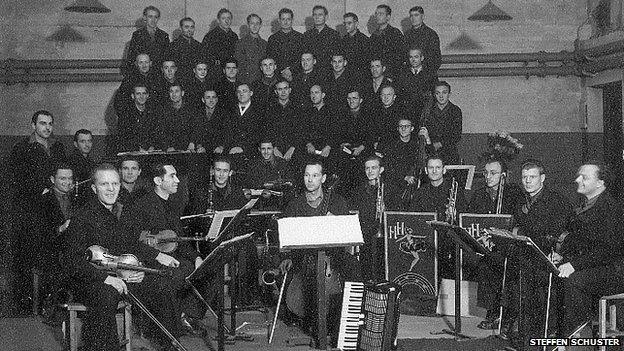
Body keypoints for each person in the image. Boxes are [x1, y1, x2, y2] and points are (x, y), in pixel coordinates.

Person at [62, 164, 180, 351]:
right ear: (94, 188)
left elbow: (128, 244)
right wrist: (106, 279)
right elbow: (73, 261)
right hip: (90, 279)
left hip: (118, 275)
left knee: (162, 285)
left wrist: (147, 261)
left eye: (115, 184)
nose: (111, 189)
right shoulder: (82, 216)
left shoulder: (118, 213)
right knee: (107, 295)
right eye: (104, 184)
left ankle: (169, 345)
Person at [278, 159, 361, 346]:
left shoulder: (338, 202)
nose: (310, 180)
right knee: (310, 276)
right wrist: (286, 256)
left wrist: (335, 223)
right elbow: (286, 237)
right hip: (305, 257)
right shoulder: (295, 205)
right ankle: (317, 324)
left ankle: (347, 322)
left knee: (353, 267)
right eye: (307, 175)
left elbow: (346, 235)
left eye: (315, 175)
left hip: (333, 256)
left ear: (323, 178)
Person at [120, 163, 204, 340]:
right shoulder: (141, 205)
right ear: (158, 180)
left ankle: (185, 315)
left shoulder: (172, 205)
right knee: (173, 278)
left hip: (171, 259)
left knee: (207, 271)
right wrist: (158, 255)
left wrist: (196, 257)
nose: (177, 180)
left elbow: (179, 240)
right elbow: (130, 242)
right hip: (148, 263)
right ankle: (168, 329)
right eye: (172, 176)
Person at [510, 159, 573, 349]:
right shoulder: (521, 201)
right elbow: (518, 226)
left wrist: (562, 254)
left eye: (532, 177)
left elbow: (567, 232)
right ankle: (524, 329)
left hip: (551, 255)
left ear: (542, 178)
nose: (528, 181)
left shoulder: (556, 200)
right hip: (528, 253)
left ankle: (546, 332)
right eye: (524, 177)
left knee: (535, 277)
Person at [556, 162, 624, 337]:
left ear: (600, 183)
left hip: (613, 271)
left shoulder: (610, 208)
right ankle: (557, 331)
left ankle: (577, 336)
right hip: (594, 266)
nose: (577, 179)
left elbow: (608, 251)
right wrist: (560, 255)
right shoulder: (587, 205)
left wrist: (574, 264)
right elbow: (579, 240)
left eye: (584, 177)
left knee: (574, 280)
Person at [10, 110, 66, 313]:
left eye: (50, 123)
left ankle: (51, 302)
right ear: (33, 125)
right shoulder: (21, 149)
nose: (47, 127)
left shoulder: (57, 147)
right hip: (30, 210)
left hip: (53, 206)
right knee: (29, 256)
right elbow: (15, 180)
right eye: (43, 123)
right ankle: (27, 303)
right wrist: (38, 191)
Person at [467, 158, 522, 332]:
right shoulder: (478, 194)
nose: (488, 177)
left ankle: (507, 314)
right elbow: (471, 220)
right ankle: (492, 312)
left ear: (503, 176)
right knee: (486, 266)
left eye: (494, 173)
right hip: (488, 246)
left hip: (510, 246)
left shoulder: (513, 193)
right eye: (486, 173)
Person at [410, 155, 467, 279]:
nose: (434, 171)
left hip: (449, 243)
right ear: (426, 170)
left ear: (444, 170)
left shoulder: (456, 190)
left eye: (438, 167)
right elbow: (414, 218)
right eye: (431, 168)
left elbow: (464, 218)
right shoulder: (420, 192)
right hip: (428, 242)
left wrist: (454, 213)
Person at [33, 164, 75, 320]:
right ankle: (56, 313)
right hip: (50, 251)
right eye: (62, 178)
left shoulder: (76, 199)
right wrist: (62, 228)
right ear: (52, 179)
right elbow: (38, 234)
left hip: (71, 251)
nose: (67, 182)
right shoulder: (43, 201)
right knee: (60, 268)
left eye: (70, 178)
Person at [350, 155, 388, 282]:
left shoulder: (388, 190)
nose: (370, 171)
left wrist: (385, 209)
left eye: (374, 168)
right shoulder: (358, 191)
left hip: (384, 238)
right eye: (367, 168)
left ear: (381, 170)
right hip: (366, 236)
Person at [381, 117, 434, 210]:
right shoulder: (391, 146)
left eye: (407, 126)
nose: (403, 128)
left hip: (415, 187)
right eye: (401, 126)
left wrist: (427, 138)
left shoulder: (417, 145)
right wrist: (404, 177)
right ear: (397, 129)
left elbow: (432, 158)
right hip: (397, 186)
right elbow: (388, 168)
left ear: (412, 129)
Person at [422, 81, 462, 164]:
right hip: (431, 152)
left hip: (450, 153)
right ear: (434, 95)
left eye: (444, 92)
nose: (441, 96)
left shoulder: (455, 111)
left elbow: (457, 135)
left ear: (449, 94)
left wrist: (441, 144)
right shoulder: (427, 111)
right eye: (437, 93)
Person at [246, 139, 293, 210]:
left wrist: (275, 184)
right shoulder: (254, 164)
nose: (266, 152)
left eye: (269, 149)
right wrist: (263, 185)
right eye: (263, 149)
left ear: (274, 149)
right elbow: (250, 182)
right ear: (259, 149)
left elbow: (290, 181)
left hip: (279, 201)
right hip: (260, 202)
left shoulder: (282, 163)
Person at [264, 80, 302, 164]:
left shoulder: (298, 108)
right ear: (276, 92)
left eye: (285, 88)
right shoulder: (270, 109)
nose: (283, 92)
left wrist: (292, 149)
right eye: (280, 89)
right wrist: (274, 148)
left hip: (294, 148)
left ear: (290, 90)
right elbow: (267, 130)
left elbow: (300, 131)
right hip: (275, 148)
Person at [116, 83, 160, 153]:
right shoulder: (125, 115)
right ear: (133, 96)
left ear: (147, 96)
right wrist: (137, 149)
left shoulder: (154, 113)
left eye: (144, 93)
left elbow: (157, 134)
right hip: (132, 152)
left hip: (151, 152)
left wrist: (152, 147)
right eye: (138, 94)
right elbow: (124, 137)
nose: (141, 96)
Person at [396, 47, 437, 121]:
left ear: (422, 58)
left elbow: (434, 94)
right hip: (406, 113)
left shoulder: (430, 74)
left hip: (424, 114)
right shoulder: (402, 74)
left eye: (416, 57)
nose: (413, 60)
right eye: (411, 57)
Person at [126, 6, 170, 73]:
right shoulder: (137, 35)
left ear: (158, 19)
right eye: (150, 16)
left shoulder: (164, 35)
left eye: (156, 17)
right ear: (144, 18)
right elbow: (131, 58)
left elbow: (167, 57)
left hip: (159, 74)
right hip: (142, 74)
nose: (153, 20)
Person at [267, 8, 304, 82]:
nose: (286, 22)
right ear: (279, 20)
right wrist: (283, 71)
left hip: (297, 76)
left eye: (288, 19)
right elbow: (271, 58)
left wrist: (291, 70)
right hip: (278, 77)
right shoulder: (272, 38)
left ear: (292, 20)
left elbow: (302, 57)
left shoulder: (300, 37)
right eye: (283, 19)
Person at [369, 4, 405, 79]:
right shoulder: (373, 36)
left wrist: (390, 75)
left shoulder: (395, 33)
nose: (377, 16)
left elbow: (400, 57)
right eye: (376, 14)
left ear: (388, 17)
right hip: (376, 76)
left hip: (391, 76)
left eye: (381, 14)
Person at [201, 8, 238, 78]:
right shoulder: (210, 36)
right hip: (216, 73)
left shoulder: (234, 36)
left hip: (231, 73)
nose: (227, 21)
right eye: (223, 18)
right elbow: (205, 58)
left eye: (229, 18)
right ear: (218, 20)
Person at [404, 7, 442, 75]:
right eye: (411, 16)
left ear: (423, 16)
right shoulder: (407, 35)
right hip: (409, 74)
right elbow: (404, 56)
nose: (413, 18)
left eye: (416, 15)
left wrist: (425, 73)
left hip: (426, 74)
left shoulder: (431, 34)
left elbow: (436, 59)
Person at [302, 5, 340, 73]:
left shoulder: (334, 35)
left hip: (328, 73)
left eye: (320, 15)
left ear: (326, 17)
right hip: (311, 73)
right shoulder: (306, 35)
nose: (317, 17)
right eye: (315, 15)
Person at [235, 14, 267, 84]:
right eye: (252, 23)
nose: (255, 26)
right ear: (248, 25)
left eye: (257, 23)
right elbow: (240, 65)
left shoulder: (265, 44)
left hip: (261, 81)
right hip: (246, 81)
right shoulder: (240, 43)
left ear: (260, 25)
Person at [68, 129, 96, 206]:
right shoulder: (70, 162)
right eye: (83, 141)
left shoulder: (91, 162)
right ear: (76, 144)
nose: (87, 145)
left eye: (89, 141)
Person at [161, 84, 193, 151]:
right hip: (170, 150)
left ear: (182, 93)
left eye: (177, 91)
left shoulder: (190, 110)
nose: (174, 94)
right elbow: (163, 133)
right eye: (171, 91)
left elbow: (193, 132)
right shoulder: (164, 111)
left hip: (187, 149)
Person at [340, 12, 370, 80]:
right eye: (345, 23)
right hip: (346, 77)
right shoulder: (342, 40)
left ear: (356, 24)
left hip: (361, 78)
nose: (346, 26)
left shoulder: (365, 40)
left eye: (349, 23)